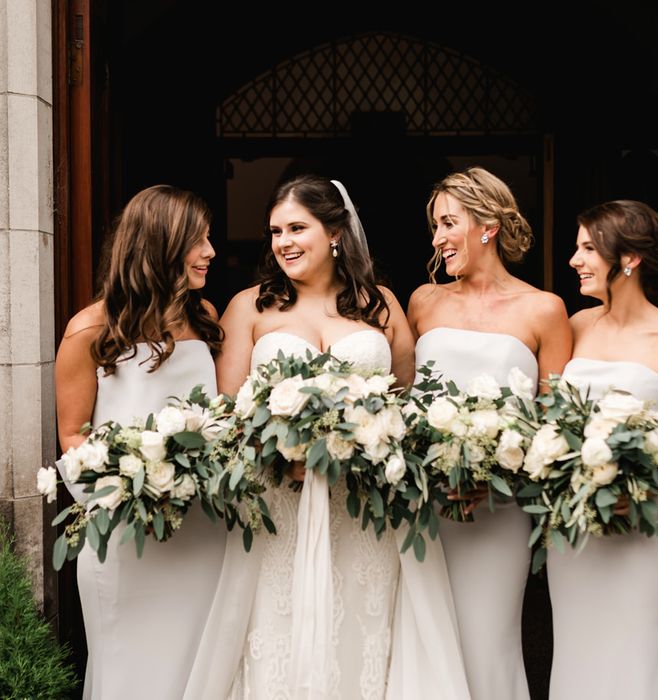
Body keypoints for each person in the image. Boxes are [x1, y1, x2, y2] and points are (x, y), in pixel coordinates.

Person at [185, 175, 470, 700]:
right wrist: (274, 455)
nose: (283, 242)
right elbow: (223, 417)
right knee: (277, 632)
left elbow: (405, 403)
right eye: (275, 231)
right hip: (278, 511)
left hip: (364, 511)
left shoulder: (380, 305)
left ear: (336, 232)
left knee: (362, 633)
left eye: (298, 227)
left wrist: (367, 443)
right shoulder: (250, 307)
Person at [54, 184, 227, 699]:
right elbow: (72, 434)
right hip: (126, 534)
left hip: (201, 531)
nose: (211, 252)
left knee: (200, 667)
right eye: (199, 240)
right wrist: (121, 494)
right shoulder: (89, 330)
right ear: (161, 245)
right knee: (128, 672)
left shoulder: (206, 319)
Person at [407, 166, 573, 700]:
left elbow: (557, 426)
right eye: (434, 225)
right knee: (422, 641)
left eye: (448, 223)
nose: (436, 238)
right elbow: (401, 403)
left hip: (501, 511)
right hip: (424, 509)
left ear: (487, 226)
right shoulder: (423, 302)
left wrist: (504, 467)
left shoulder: (545, 310)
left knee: (489, 640)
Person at [546, 200, 658, 699]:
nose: (575, 260)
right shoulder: (577, 326)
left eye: (587, 248)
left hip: (644, 534)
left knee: (637, 665)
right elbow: (551, 418)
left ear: (629, 259)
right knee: (579, 659)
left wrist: (639, 482)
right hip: (576, 536)